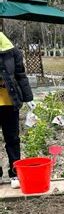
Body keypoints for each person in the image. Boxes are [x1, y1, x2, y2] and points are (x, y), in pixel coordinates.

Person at [0, 32, 35, 188]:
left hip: (10, 102)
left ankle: (15, 173)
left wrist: (28, 98)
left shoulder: (12, 51)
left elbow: (20, 74)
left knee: (12, 139)